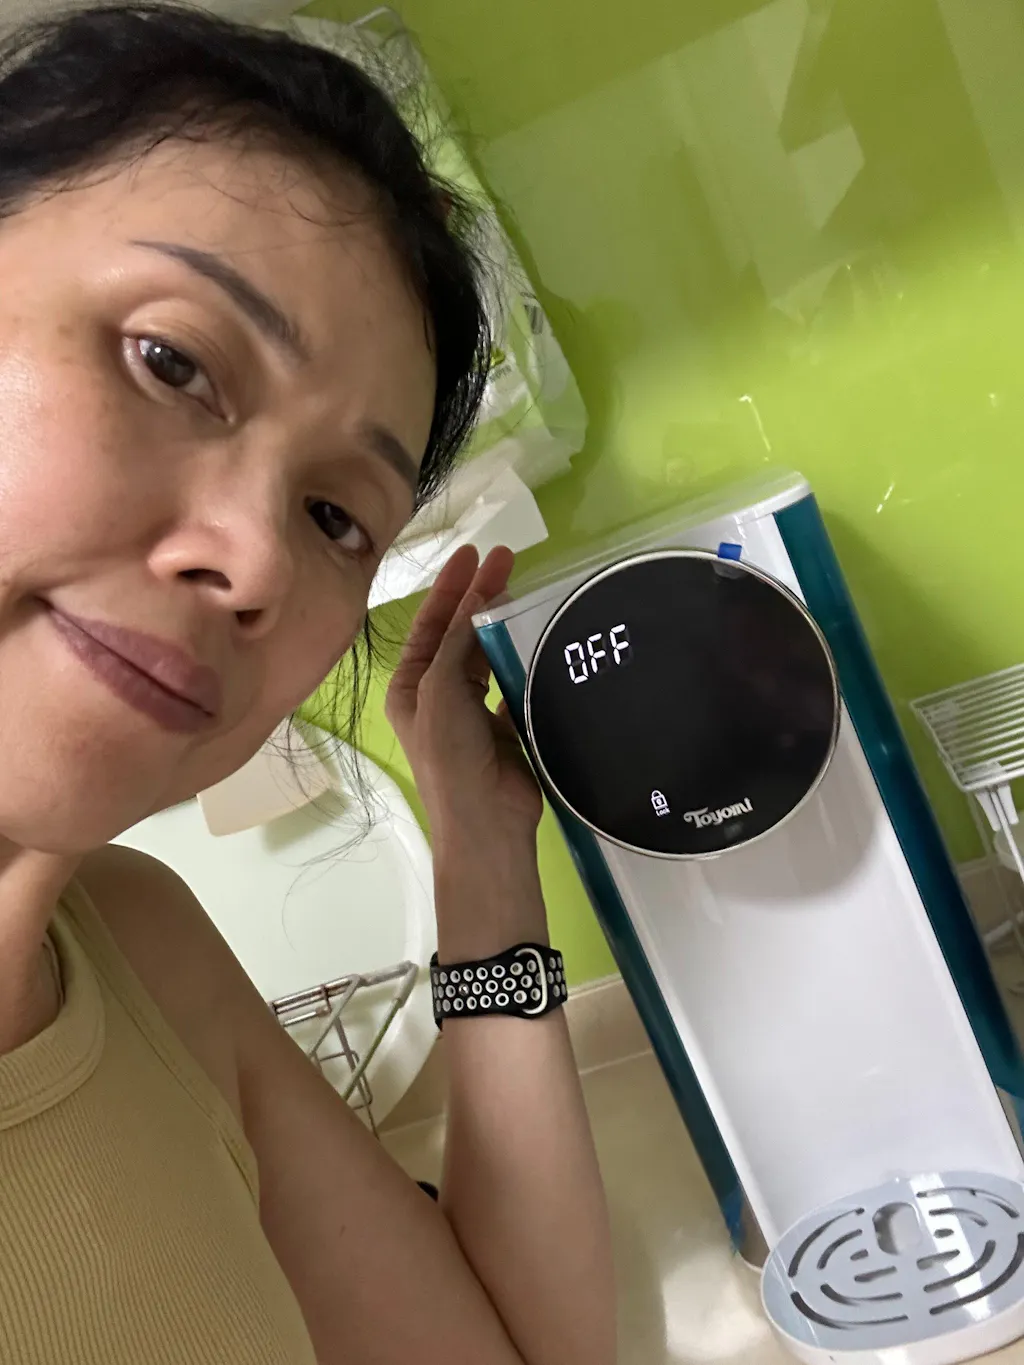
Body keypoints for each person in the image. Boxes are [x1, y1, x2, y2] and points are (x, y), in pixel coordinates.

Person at [0, 5, 616, 1363]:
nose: (256, 561)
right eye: (171, 362)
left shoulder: (143, 952)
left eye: (337, 517)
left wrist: (481, 855)